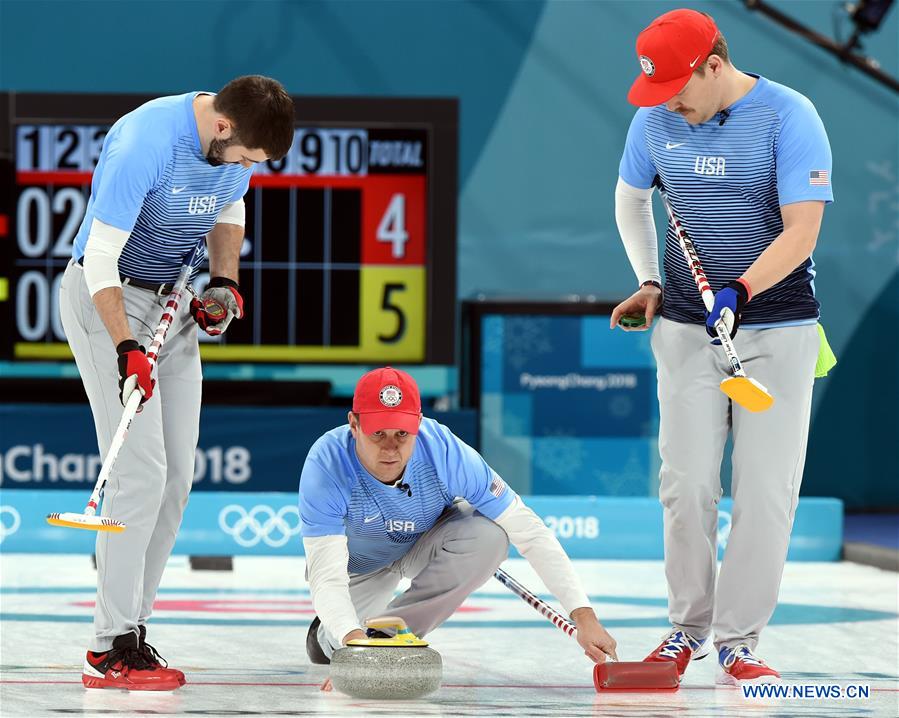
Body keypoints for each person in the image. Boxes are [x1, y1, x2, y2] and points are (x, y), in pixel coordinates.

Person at [610, 8, 832, 686]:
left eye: (678, 87)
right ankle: (685, 632)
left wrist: (739, 290)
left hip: (780, 329)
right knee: (685, 486)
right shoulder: (653, 119)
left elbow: (800, 234)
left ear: (713, 63)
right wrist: (649, 279)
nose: (669, 104)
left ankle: (738, 641)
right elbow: (628, 200)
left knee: (765, 493)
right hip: (684, 328)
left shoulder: (790, 116)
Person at [59, 75, 295, 690]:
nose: (245, 167)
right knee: (139, 472)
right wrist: (126, 347)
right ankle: (104, 649)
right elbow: (102, 260)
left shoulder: (234, 148)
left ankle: (132, 630)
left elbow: (230, 207)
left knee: (176, 478)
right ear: (222, 127)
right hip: (105, 302)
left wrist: (223, 283)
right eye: (243, 155)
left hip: (174, 306)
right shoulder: (145, 141)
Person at [299, 366, 617, 669]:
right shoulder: (326, 465)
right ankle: (328, 637)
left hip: (422, 542)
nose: (390, 449)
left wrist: (584, 617)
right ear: (354, 425)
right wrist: (351, 638)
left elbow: (529, 531)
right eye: (378, 434)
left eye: (402, 434)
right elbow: (327, 575)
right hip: (361, 566)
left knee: (490, 536)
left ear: (419, 424)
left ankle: (389, 637)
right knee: (332, 644)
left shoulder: (445, 452)